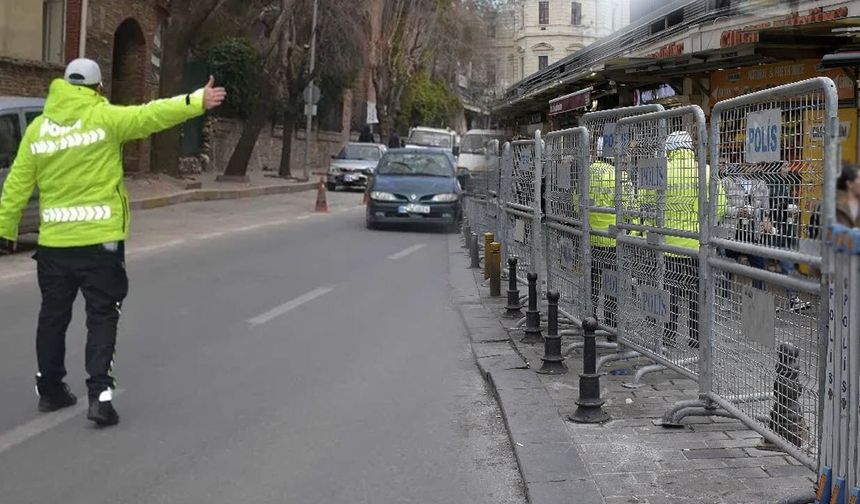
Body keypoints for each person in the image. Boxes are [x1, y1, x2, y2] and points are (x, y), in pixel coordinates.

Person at [0, 58, 226, 426]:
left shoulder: (39, 130)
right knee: (102, 315)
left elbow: (17, 185)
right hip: (101, 243)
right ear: (98, 88)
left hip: (54, 246)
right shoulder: (105, 118)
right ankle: (100, 397)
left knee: (53, 317)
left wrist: (5, 230)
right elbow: (151, 115)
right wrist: (196, 100)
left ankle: (51, 390)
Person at [588, 137, 618, 329]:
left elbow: (577, 201)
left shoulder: (587, 172)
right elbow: (627, 204)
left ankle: (590, 318)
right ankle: (611, 322)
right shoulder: (616, 174)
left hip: (591, 236)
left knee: (593, 281)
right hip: (612, 239)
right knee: (611, 283)